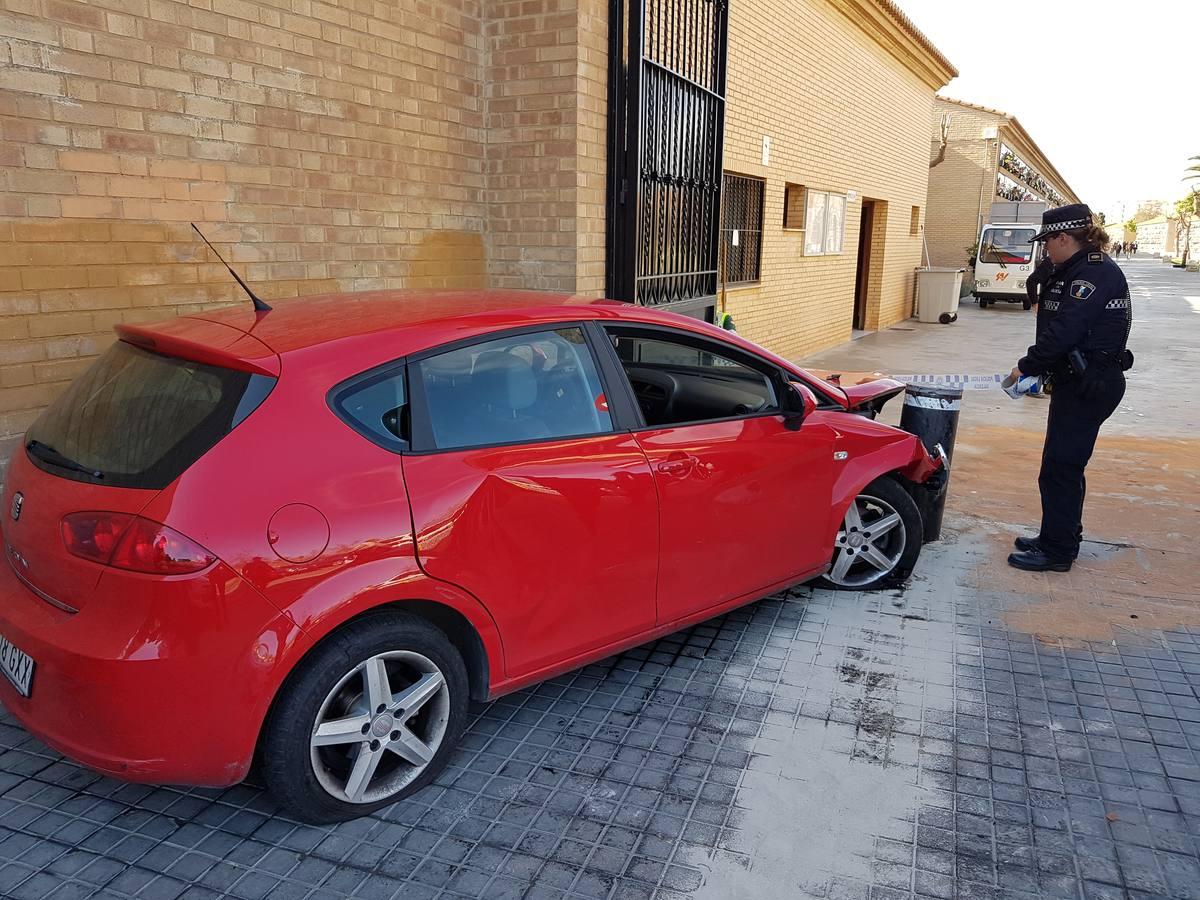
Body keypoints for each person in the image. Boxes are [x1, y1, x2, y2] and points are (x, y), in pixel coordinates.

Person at [1007, 204, 1133, 572]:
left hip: (1089, 383)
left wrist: (1027, 366)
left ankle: (1058, 551)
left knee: (1062, 467)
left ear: (1064, 237)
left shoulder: (1094, 274)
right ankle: (1056, 536)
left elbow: (1066, 330)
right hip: (1075, 382)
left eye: (1048, 242)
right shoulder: (1072, 268)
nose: (1045, 249)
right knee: (1060, 465)